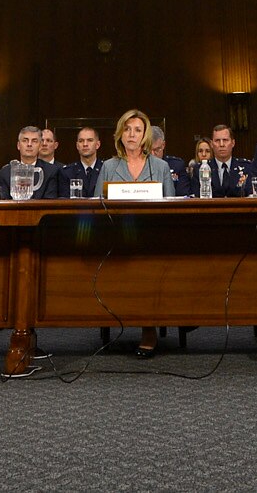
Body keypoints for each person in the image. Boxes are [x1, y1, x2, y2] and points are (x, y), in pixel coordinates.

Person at [96, 109, 173, 358]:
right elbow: (98, 206)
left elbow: (171, 207)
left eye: (137, 130)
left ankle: (148, 328)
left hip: (152, 238)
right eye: (127, 129)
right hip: (117, 237)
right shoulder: (109, 166)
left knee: (148, 266)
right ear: (120, 134)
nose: (132, 134)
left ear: (145, 135)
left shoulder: (160, 166)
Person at [186, 123, 254, 198]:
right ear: (212, 144)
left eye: (225, 140)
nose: (221, 144)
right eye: (217, 140)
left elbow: (251, 193)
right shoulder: (200, 169)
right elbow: (196, 198)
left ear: (233, 143)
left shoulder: (246, 167)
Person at [0, 125, 62, 199]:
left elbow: (50, 203)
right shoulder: (5, 172)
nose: (29, 144)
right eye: (25, 140)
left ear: (40, 146)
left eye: (34, 141)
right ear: (18, 145)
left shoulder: (51, 171)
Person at [62, 126, 103, 199]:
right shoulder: (67, 172)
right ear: (77, 146)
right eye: (81, 141)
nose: (85, 144)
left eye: (90, 140)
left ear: (97, 145)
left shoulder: (106, 169)